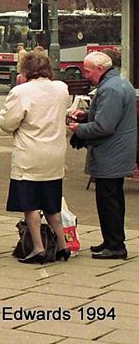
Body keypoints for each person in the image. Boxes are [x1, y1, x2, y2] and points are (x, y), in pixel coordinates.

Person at [0, 51, 71, 263]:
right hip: (55, 155)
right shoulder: (61, 89)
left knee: (30, 205)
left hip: (30, 154)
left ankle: (38, 247)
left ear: (26, 70)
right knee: (52, 204)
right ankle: (62, 245)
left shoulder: (21, 92)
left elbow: (7, 122)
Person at [68, 51, 138, 260]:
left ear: (100, 69)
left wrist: (79, 128)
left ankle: (115, 245)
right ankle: (111, 240)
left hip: (111, 153)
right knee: (113, 198)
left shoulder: (110, 89)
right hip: (119, 151)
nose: (86, 75)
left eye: (88, 71)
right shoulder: (119, 83)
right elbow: (110, 115)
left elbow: (104, 126)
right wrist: (87, 115)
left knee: (109, 200)